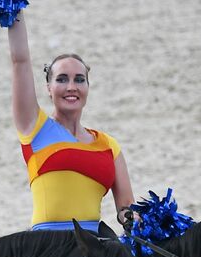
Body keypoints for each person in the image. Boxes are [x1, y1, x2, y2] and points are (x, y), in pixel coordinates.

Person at [7, 9, 135, 231]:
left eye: (79, 79)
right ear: (49, 88)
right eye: (62, 79)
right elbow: (20, 61)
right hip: (45, 250)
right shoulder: (34, 127)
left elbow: (125, 207)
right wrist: (12, 9)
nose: (71, 87)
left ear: (87, 87)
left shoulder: (108, 145)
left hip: (93, 251)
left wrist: (136, 219)